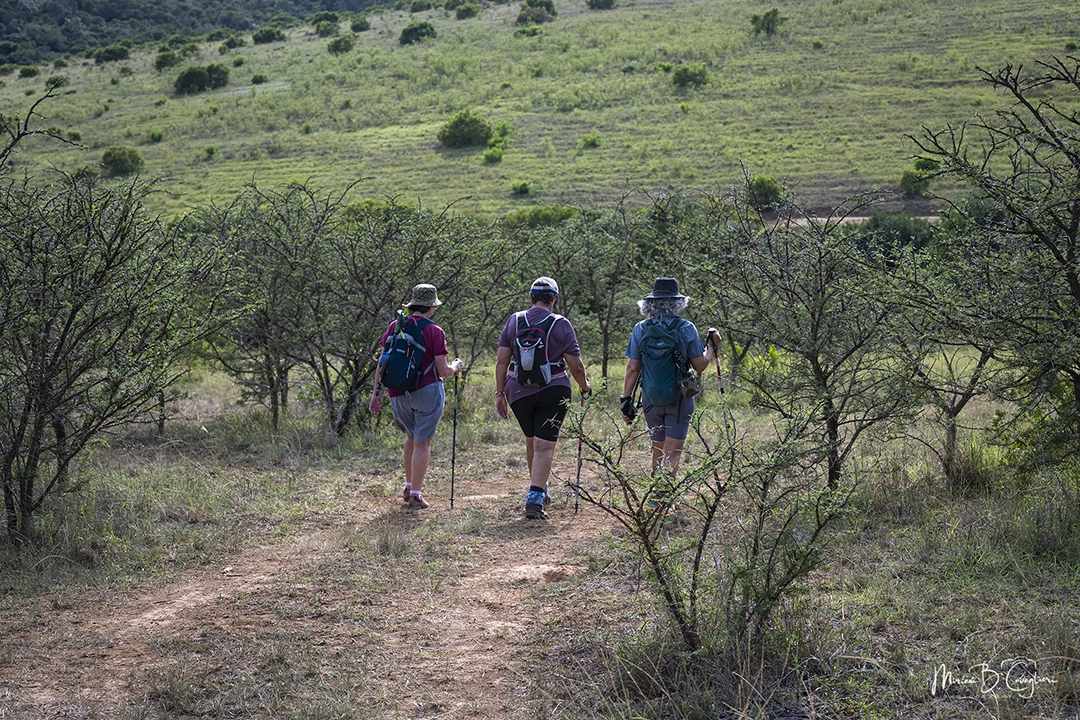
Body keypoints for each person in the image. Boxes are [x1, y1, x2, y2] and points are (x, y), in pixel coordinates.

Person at [495, 277, 591, 520]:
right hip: (553, 391)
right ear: (554, 299)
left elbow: (502, 361)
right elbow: (575, 366)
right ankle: (535, 497)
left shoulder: (514, 321)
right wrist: (585, 386)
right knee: (544, 445)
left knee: (532, 442)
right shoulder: (561, 324)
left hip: (516, 391)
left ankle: (539, 488)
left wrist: (499, 393)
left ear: (532, 297)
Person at [369, 284, 463, 510]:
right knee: (423, 442)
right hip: (427, 392)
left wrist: (376, 394)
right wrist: (456, 367)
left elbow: (382, 363)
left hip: (397, 393)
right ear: (431, 307)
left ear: (412, 305)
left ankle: (409, 485)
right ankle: (416, 495)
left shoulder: (395, 326)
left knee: (411, 437)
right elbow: (442, 370)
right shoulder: (435, 331)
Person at [620, 277, 717, 477]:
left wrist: (626, 400)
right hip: (679, 398)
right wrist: (711, 346)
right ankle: (662, 500)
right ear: (678, 302)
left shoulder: (640, 328)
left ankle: (654, 495)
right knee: (673, 451)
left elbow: (632, 368)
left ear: (650, 303)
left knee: (658, 448)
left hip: (650, 398)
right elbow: (700, 365)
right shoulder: (686, 328)